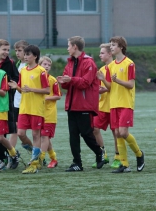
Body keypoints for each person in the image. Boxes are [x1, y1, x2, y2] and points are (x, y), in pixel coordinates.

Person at [57, 36, 105, 172]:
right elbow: (68, 84)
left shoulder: (89, 63)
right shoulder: (70, 62)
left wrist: (70, 79)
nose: (67, 48)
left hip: (84, 104)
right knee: (73, 134)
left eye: (68, 46)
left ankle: (99, 152)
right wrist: (64, 81)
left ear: (75, 47)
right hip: (72, 104)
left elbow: (85, 83)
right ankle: (77, 163)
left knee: (86, 133)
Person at [97, 36, 145, 173]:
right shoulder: (110, 66)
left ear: (121, 47)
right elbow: (110, 87)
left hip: (126, 103)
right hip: (114, 103)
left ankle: (139, 154)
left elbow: (130, 84)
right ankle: (125, 164)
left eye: (113, 45)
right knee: (117, 133)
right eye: (110, 45)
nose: (111, 47)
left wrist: (117, 81)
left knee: (123, 132)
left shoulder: (129, 63)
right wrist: (102, 80)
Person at [8, 45, 50, 174]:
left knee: (36, 134)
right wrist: (17, 87)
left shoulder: (41, 71)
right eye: (24, 54)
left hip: (36, 108)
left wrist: (32, 89)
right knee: (20, 133)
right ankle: (36, 155)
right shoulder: (23, 71)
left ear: (35, 56)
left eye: (28, 54)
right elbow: (22, 89)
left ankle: (34, 163)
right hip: (24, 108)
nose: (25, 56)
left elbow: (47, 90)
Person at [92, 43, 120, 169]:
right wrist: (99, 90)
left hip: (115, 105)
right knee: (94, 129)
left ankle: (118, 157)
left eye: (102, 53)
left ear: (110, 54)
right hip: (102, 105)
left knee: (116, 133)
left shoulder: (117, 67)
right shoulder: (101, 70)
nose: (100, 55)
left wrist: (106, 86)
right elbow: (97, 88)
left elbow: (116, 87)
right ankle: (103, 155)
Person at [38, 56, 61, 168]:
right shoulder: (36, 78)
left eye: (48, 65)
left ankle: (40, 159)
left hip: (49, 114)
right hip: (38, 112)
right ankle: (53, 158)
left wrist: (47, 98)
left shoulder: (52, 80)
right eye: (44, 64)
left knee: (44, 137)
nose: (46, 66)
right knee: (44, 137)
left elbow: (58, 96)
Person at [9, 40, 29, 164]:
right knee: (16, 130)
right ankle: (12, 155)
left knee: (40, 133)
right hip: (17, 102)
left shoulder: (29, 67)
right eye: (16, 50)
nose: (17, 53)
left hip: (28, 102)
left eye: (20, 50)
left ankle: (40, 154)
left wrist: (17, 87)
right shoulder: (17, 65)